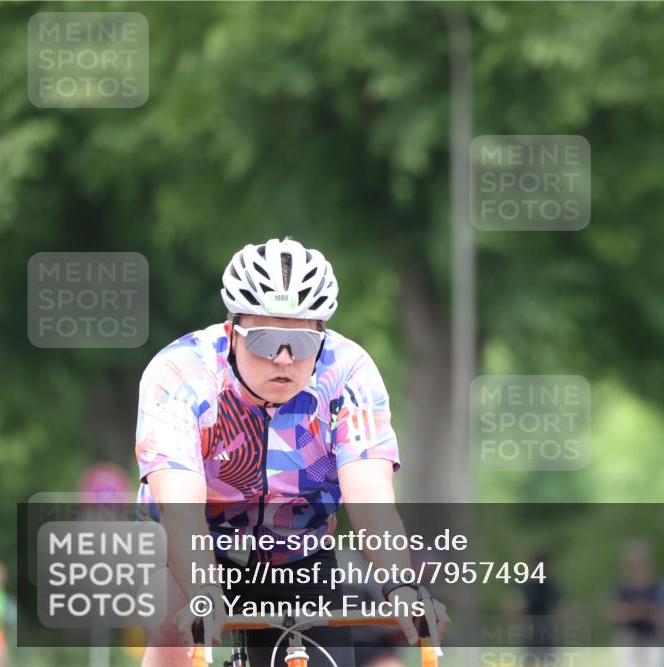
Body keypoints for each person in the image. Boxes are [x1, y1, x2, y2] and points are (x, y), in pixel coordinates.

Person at [136, 238, 449, 667]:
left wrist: (401, 586)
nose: (283, 359)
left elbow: (371, 504)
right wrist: (205, 593)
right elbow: (181, 509)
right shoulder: (182, 373)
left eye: (301, 344)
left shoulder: (349, 374)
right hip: (197, 542)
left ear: (322, 338)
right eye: (265, 340)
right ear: (231, 332)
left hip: (299, 551)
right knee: (173, 625)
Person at [611, 540, 664, 667]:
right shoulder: (623, 586)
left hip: (652, 635)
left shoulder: (656, 585)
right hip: (629, 637)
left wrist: (637, 611)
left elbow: (661, 610)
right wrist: (639, 611)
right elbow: (616, 612)